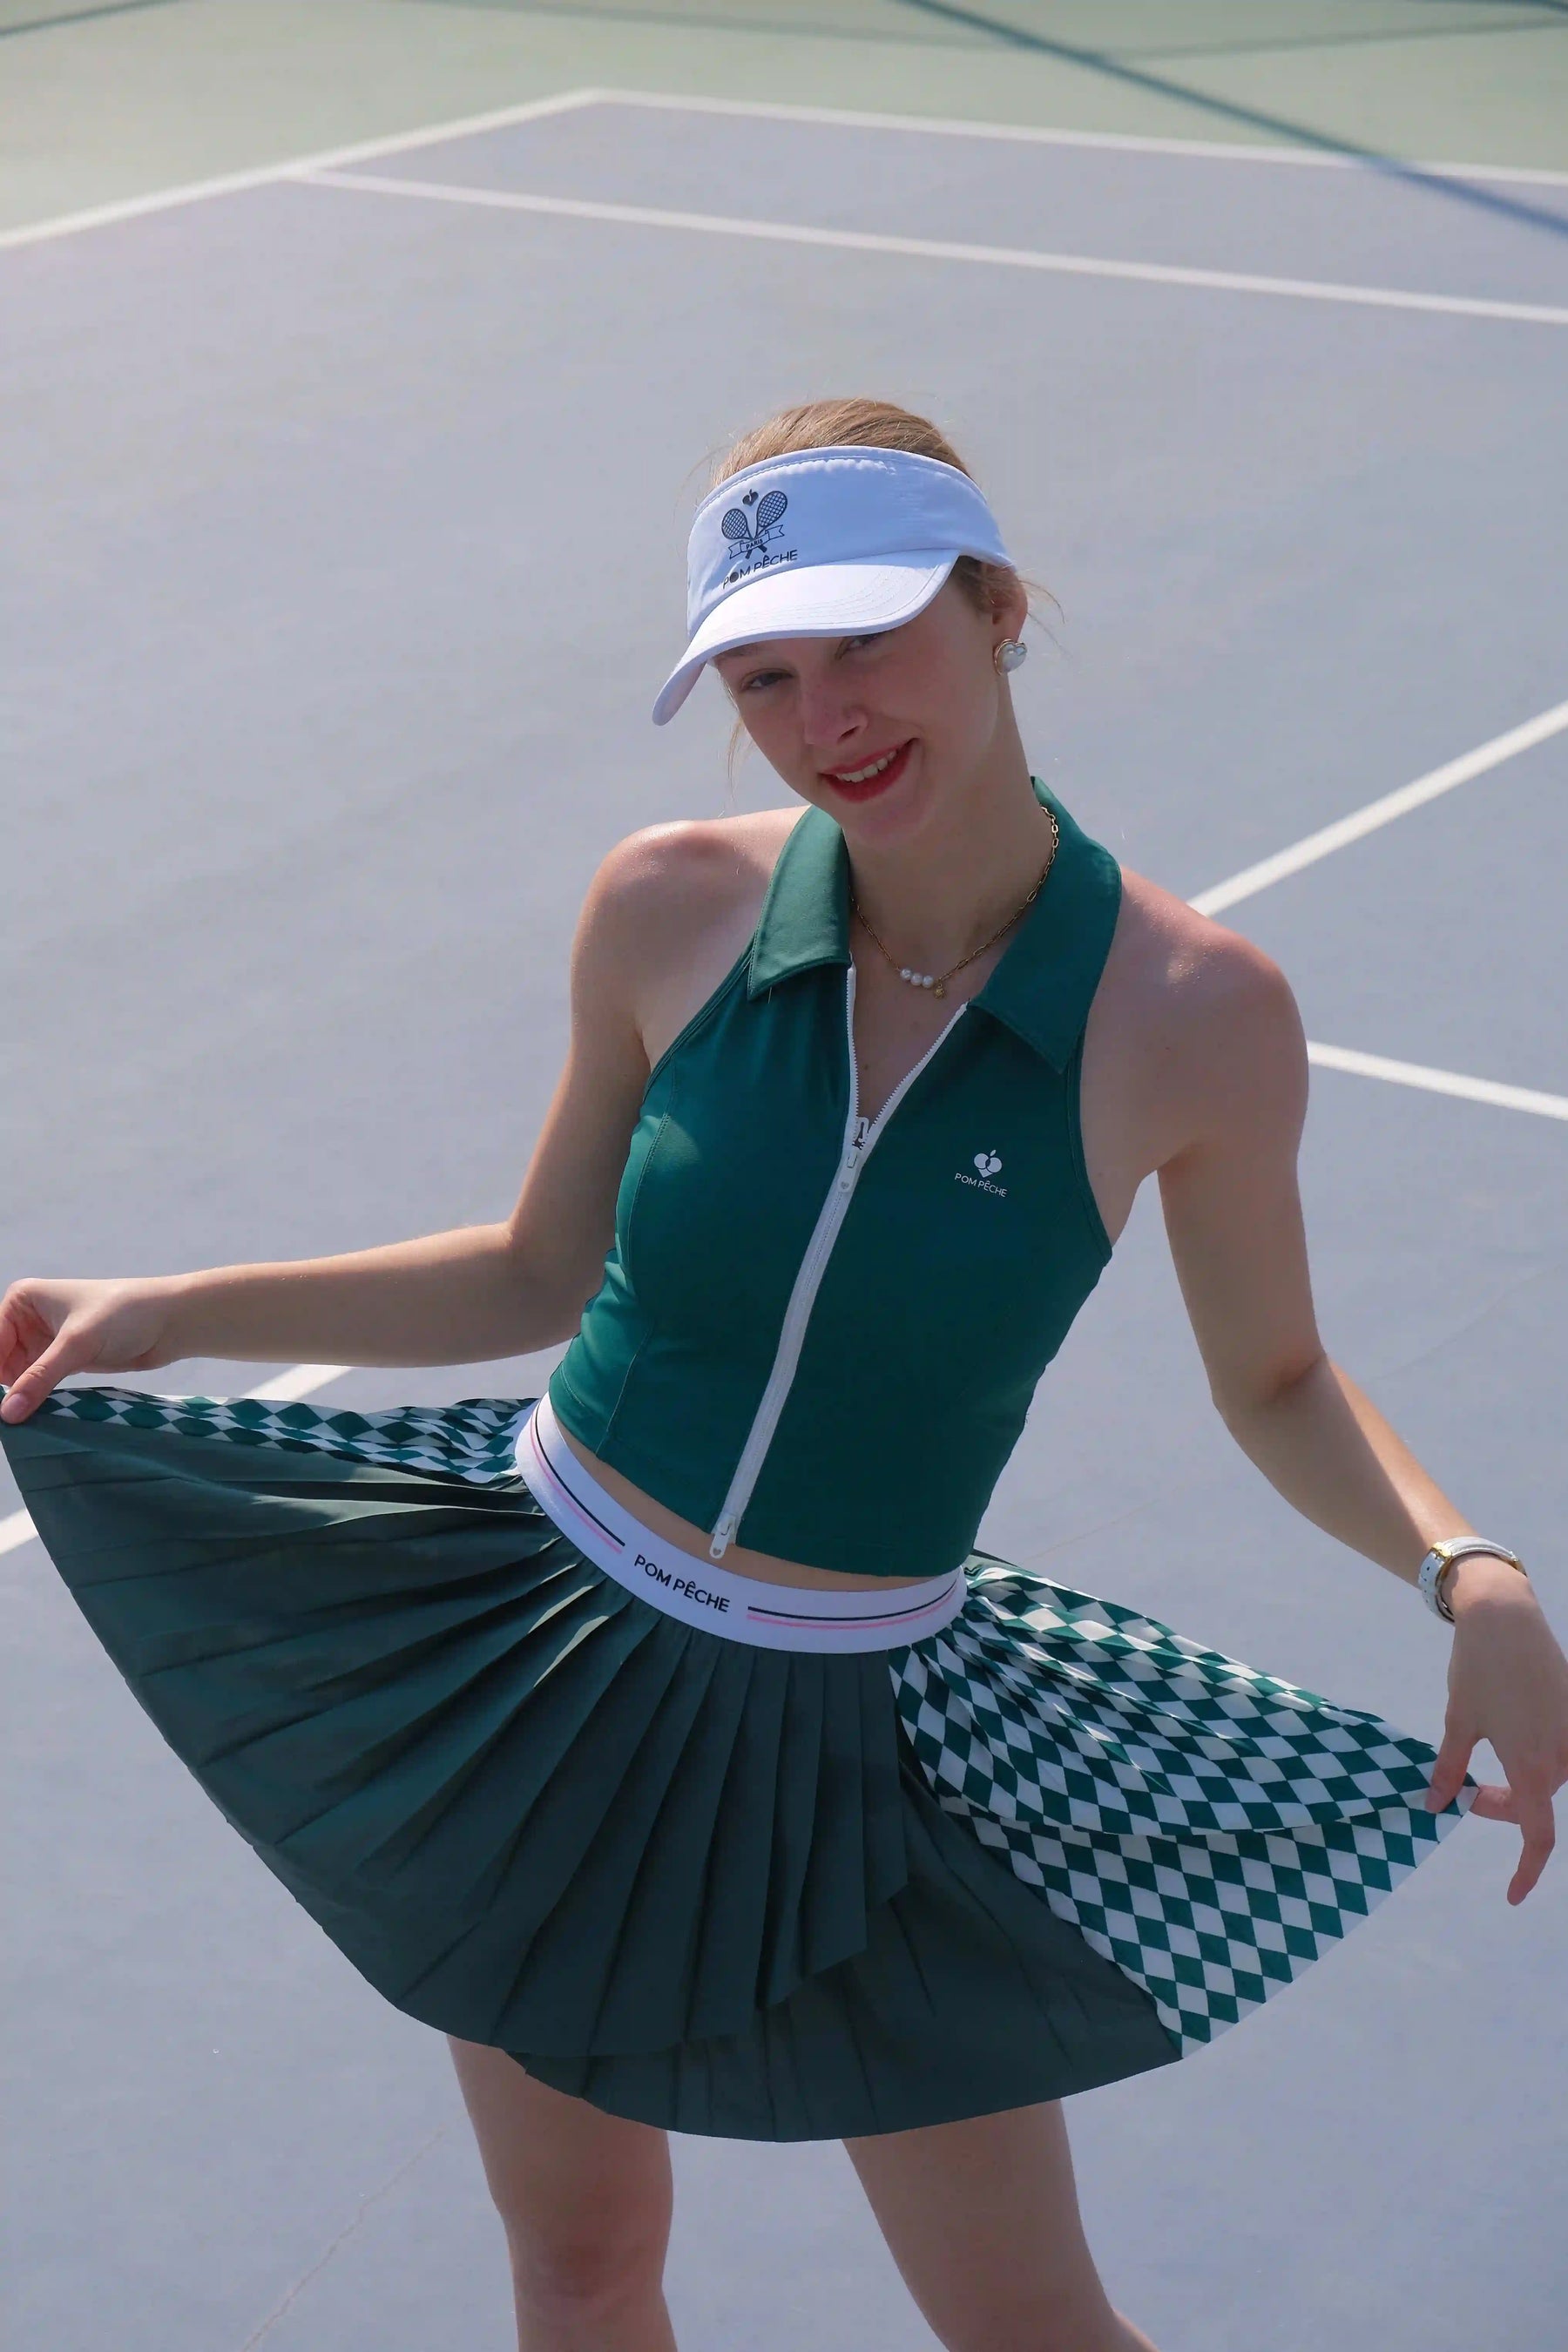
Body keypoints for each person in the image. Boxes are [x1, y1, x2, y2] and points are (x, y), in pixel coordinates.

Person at [3, 397, 1565, 2352]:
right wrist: (177, 1304)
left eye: (867, 644)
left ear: (997, 606)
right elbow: (543, 1264)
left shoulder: (1194, 1016)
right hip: (541, 1675)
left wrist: (1466, 1567)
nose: (824, 715)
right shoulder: (669, 903)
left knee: (1029, 2331)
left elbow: (1274, 1376)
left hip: (866, 1744)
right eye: (764, 673)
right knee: (580, 2273)